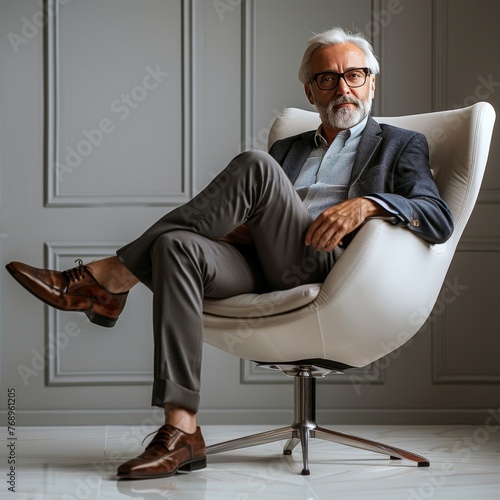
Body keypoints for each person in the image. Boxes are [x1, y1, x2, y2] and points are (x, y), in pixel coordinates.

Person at [5, 27, 454, 480]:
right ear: (309, 89)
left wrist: (366, 204)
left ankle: (109, 280)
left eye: (354, 75)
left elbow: (437, 215)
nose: (343, 88)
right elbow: (261, 212)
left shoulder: (400, 144)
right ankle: (182, 431)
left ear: (371, 83)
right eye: (328, 78)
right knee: (174, 245)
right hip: (263, 260)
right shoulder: (290, 148)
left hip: (330, 268)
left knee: (255, 165)